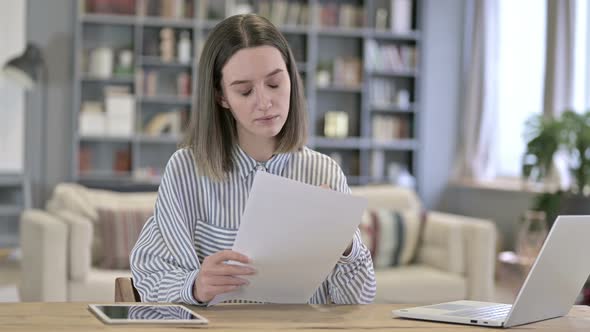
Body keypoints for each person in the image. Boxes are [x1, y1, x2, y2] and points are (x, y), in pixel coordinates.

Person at [130, 13, 376, 305]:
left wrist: (343, 241)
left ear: (291, 79)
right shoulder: (186, 170)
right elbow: (148, 275)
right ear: (221, 97)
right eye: (245, 91)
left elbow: (359, 301)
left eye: (274, 84)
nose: (264, 102)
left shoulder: (324, 172)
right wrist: (195, 285)